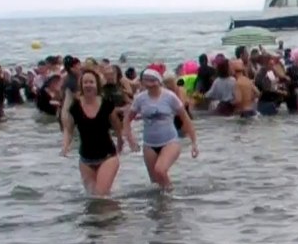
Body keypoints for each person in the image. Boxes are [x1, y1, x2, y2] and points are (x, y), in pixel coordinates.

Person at [123, 69, 199, 190]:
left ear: (159, 82)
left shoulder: (169, 97)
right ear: (142, 83)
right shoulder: (140, 99)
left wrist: (194, 143)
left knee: (160, 170)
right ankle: (161, 206)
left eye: (153, 81)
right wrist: (130, 140)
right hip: (149, 144)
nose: (150, 84)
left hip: (170, 141)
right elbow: (127, 120)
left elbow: (186, 119)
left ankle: (171, 195)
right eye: (146, 81)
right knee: (155, 182)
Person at [61, 68, 124, 197]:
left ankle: (111, 216)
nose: (88, 85)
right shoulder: (75, 107)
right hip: (85, 159)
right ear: (81, 86)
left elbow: (117, 125)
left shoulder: (106, 104)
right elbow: (68, 129)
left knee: (100, 195)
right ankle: (109, 213)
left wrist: (120, 141)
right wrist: (65, 147)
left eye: (91, 82)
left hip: (107, 156)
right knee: (92, 197)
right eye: (85, 82)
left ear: (97, 85)